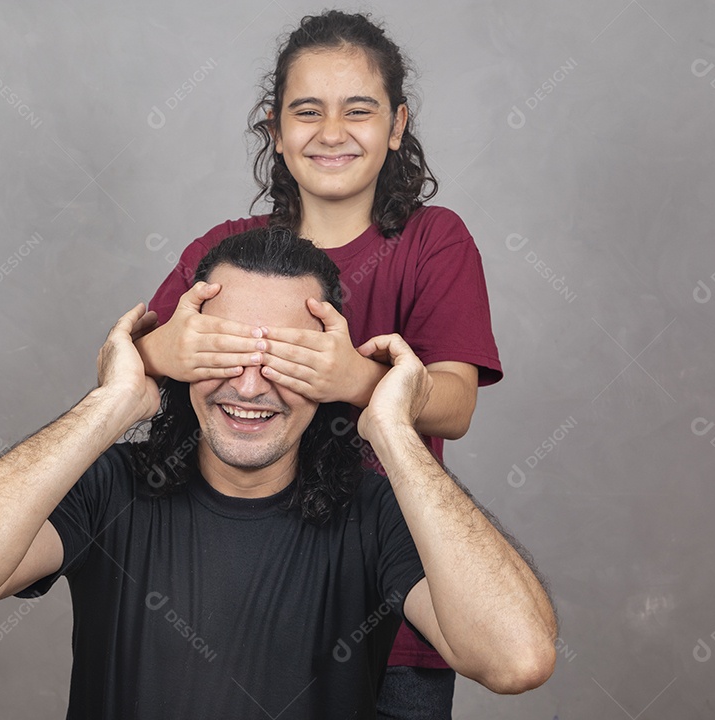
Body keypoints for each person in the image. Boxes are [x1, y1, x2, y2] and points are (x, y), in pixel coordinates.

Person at [0, 229, 556, 718]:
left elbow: (518, 658)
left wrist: (393, 426)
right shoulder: (112, 488)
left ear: (327, 374)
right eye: (225, 351)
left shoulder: (374, 514)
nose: (250, 384)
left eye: (286, 360)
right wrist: (112, 401)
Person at [135, 11, 502, 716]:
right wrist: (163, 353)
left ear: (396, 125)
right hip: (246, 595)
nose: (332, 133)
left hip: (396, 611)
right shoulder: (227, 251)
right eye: (307, 111)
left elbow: (454, 404)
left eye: (358, 110)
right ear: (275, 129)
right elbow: (122, 369)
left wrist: (354, 380)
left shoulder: (434, 241)